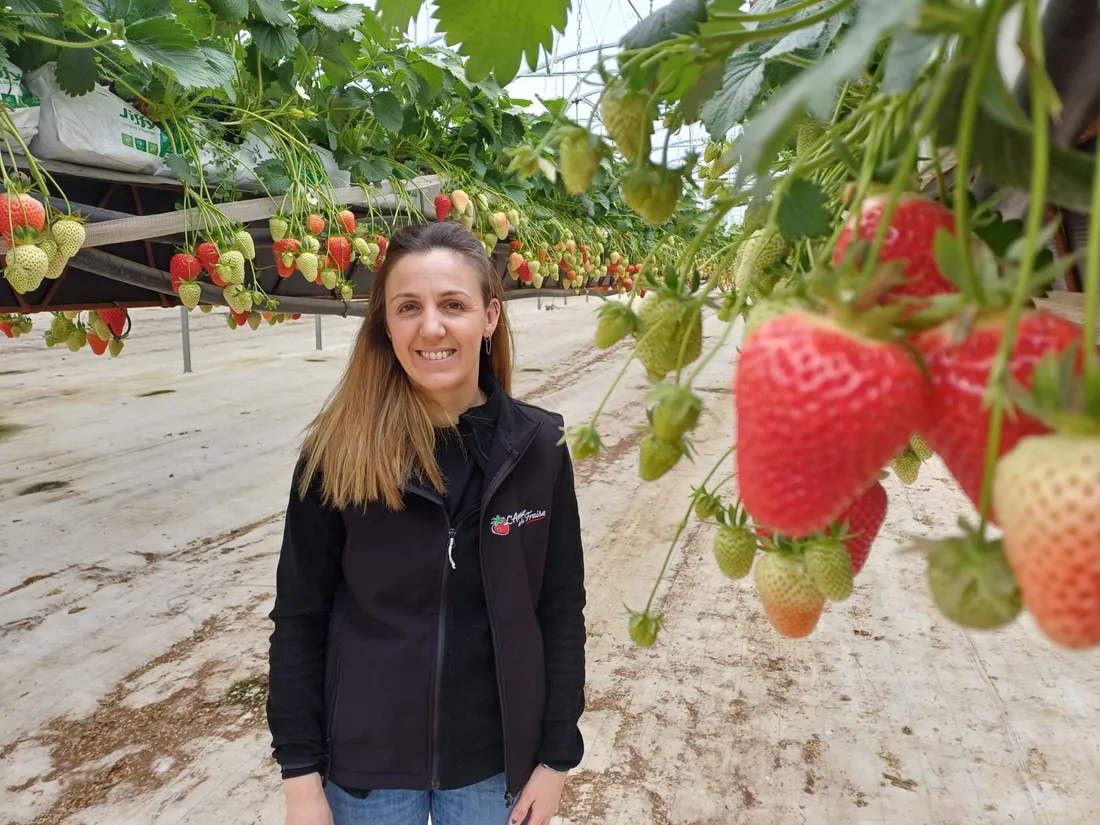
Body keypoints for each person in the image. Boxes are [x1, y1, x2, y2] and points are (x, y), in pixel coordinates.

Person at [265, 220, 588, 825]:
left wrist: (555, 758)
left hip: (495, 772)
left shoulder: (539, 447)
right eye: (408, 306)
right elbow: (301, 618)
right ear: (384, 324)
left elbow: (559, 609)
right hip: (366, 777)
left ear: (490, 317)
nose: (431, 327)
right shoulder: (338, 454)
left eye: (453, 305)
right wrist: (300, 779)